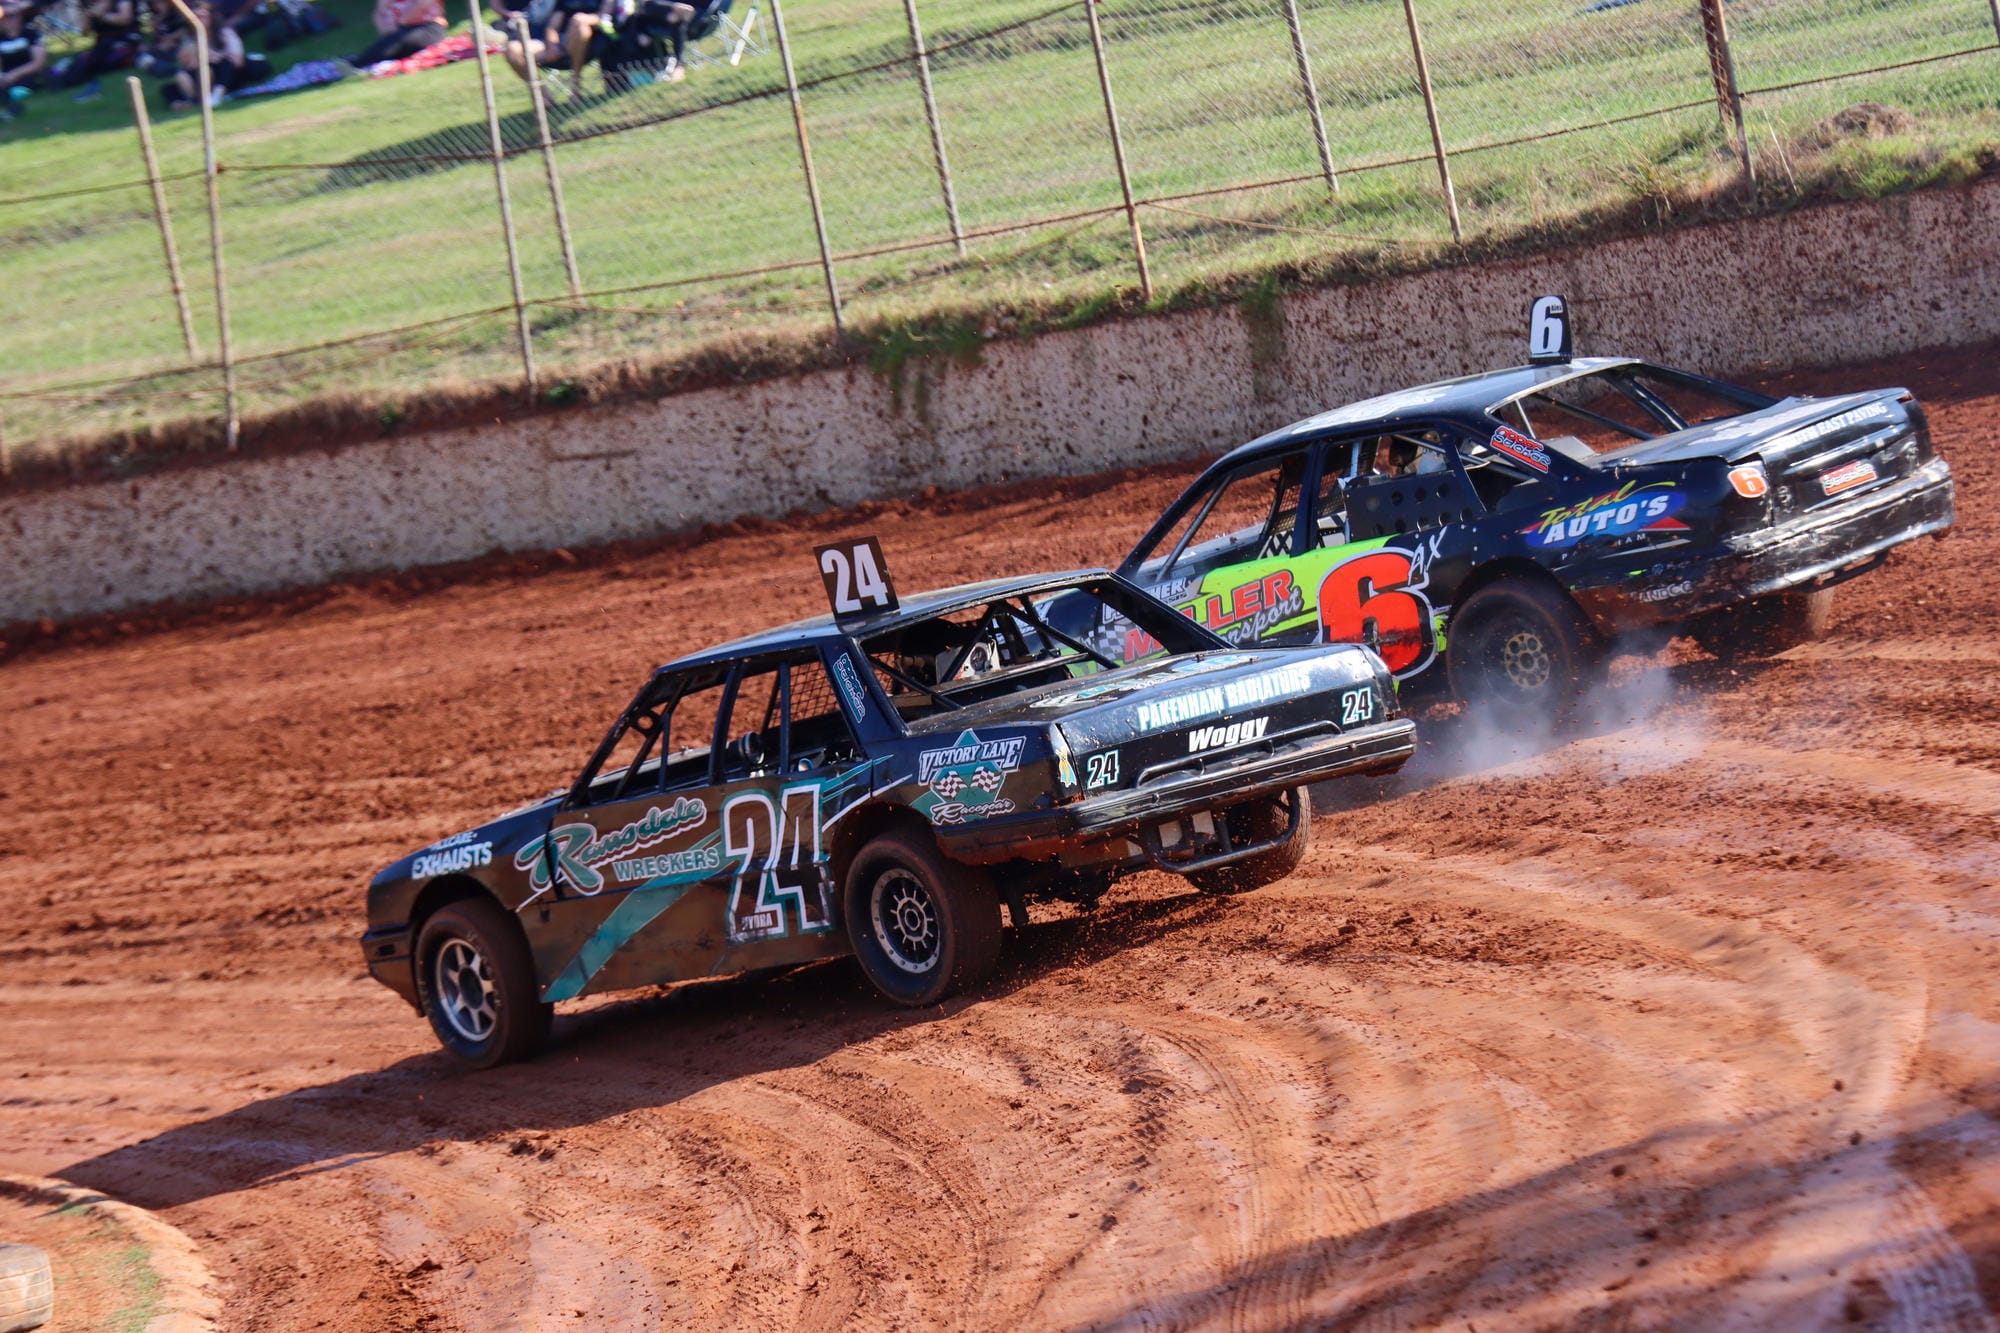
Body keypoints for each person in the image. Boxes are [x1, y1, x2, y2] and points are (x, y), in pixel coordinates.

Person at [164, 0, 266, 107]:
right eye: (196, 17)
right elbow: (186, 65)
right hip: (206, 74)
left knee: (225, 64)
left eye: (203, 16)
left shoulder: (225, 33)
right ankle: (187, 102)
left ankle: (216, 96)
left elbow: (237, 61)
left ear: (211, 17)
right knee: (169, 87)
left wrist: (214, 57)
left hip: (229, 72)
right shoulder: (189, 39)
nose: (200, 21)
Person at [51, 0, 143, 99]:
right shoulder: (92, 4)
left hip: (124, 41)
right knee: (84, 61)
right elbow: (84, 32)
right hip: (102, 45)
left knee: (104, 59)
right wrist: (89, 15)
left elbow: (125, 19)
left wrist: (102, 15)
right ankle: (60, 79)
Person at [349, 0, 442, 69]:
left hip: (427, 28)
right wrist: (385, 29)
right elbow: (378, 12)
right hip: (399, 31)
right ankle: (359, 62)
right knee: (391, 43)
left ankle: (358, 64)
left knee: (397, 41)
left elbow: (422, 4)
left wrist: (400, 24)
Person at [0, 0, 48, 117]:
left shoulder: (30, 34)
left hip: (26, 74)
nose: (9, 20)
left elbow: (39, 62)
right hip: (6, 75)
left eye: (13, 16)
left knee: (19, 89)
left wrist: (15, 74)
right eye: (5, 17)